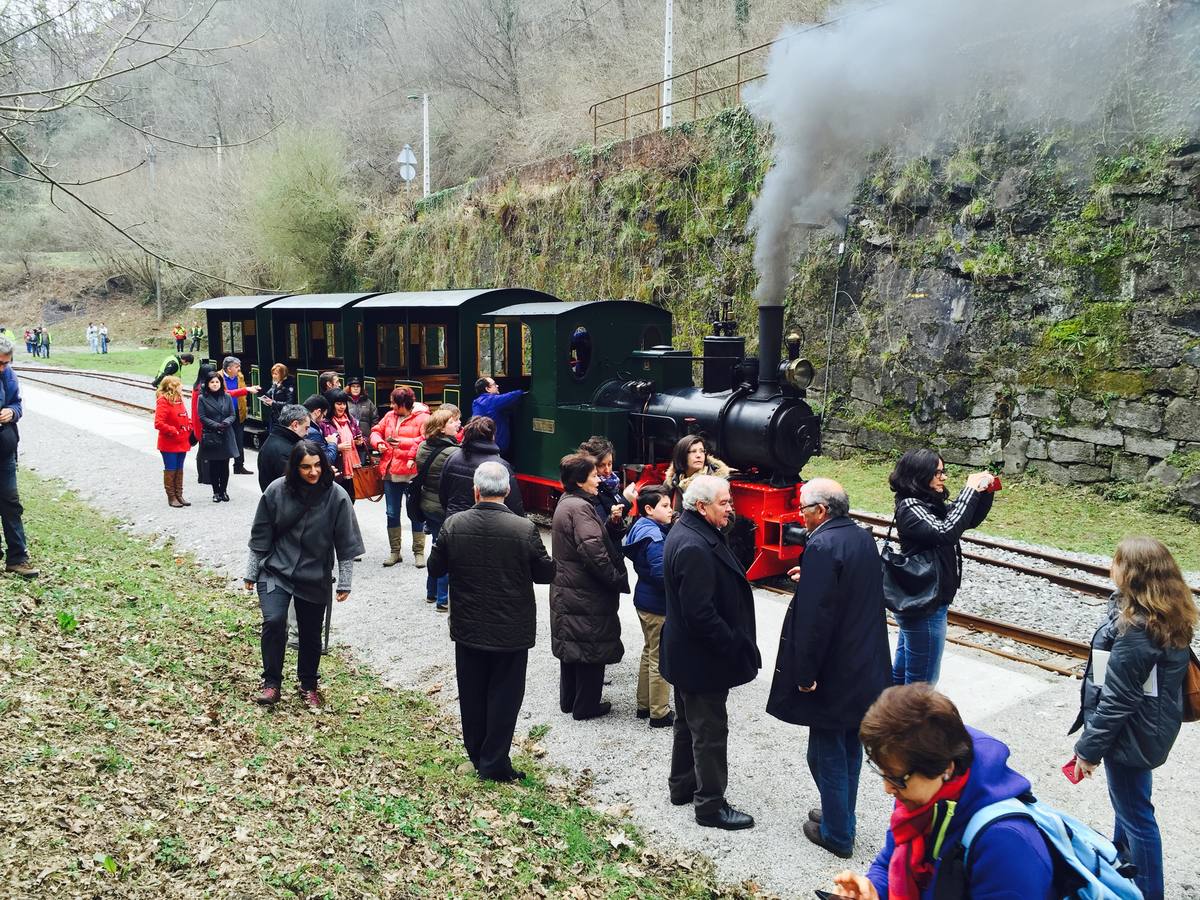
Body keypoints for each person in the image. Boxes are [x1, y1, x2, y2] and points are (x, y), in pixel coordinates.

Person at [830, 684, 1054, 900]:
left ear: (946, 768)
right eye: (884, 773)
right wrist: (874, 890)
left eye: (896, 778)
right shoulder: (918, 799)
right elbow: (889, 862)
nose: (887, 788)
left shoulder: (1006, 843)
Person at [766, 478, 890, 859]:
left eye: (803, 509)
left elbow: (815, 620)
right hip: (863, 662)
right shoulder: (860, 537)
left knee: (824, 752)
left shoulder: (821, 544)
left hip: (834, 668)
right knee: (849, 744)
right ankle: (842, 814)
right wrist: (813, 577)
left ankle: (838, 831)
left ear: (820, 511)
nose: (800, 516)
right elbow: (849, 588)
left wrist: (805, 673)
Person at [1069, 536, 1196, 900]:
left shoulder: (1137, 630)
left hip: (1132, 732)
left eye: (1116, 561)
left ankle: (1147, 892)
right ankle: (1120, 862)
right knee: (1129, 802)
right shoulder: (1168, 613)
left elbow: (1118, 699)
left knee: (1137, 814)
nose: (1111, 566)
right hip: (1151, 725)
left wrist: (1087, 750)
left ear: (1133, 574)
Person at [427, 460, 555, 780]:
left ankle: (476, 754)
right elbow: (544, 574)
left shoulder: (454, 524)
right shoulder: (524, 529)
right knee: (505, 696)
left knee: (472, 693)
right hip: (512, 630)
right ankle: (495, 761)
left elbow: (434, 569)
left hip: (469, 626)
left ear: (475, 490)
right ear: (508, 491)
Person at [661, 474, 757, 830]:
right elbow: (700, 614)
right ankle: (710, 806)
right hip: (702, 659)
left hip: (687, 656)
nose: (731, 508)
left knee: (687, 724)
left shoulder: (689, 531)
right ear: (701, 506)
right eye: (725, 503)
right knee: (710, 732)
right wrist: (732, 643)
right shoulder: (693, 546)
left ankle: (682, 786)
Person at [244, 441, 364, 709]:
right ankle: (271, 683)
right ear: (294, 468)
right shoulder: (277, 491)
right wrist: (251, 573)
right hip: (276, 570)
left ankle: (308, 684)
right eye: (306, 467)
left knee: (311, 633)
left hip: (315, 574)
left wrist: (345, 581)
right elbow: (260, 535)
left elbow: (346, 542)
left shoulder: (337, 496)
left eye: (317, 465)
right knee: (274, 622)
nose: (313, 472)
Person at [889, 449, 994, 686]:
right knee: (921, 684)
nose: (944, 477)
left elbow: (965, 520)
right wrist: (968, 490)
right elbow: (946, 531)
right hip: (924, 605)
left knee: (902, 673)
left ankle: (888, 720)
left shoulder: (927, 504)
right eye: (937, 472)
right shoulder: (910, 507)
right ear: (919, 475)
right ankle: (907, 722)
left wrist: (984, 493)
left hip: (925, 600)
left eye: (943, 471)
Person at [549, 453, 629, 720]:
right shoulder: (581, 508)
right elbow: (593, 552)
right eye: (594, 475)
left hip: (569, 587)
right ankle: (587, 706)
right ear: (581, 481)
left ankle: (570, 700)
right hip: (584, 590)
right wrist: (616, 578)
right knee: (590, 646)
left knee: (572, 646)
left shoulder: (568, 503)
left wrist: (611, 525)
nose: (599, 479)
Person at [622, 486, 673, 727]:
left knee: (648, 652)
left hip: (644, 600)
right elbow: (661, 574)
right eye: (665, 506)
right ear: (649, 509)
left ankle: (644, 704)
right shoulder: (654, 538)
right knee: (659, 657)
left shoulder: (640, 527)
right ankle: (659, 712)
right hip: (657, 605)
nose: (671, 509)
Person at [370, 386, 430, 566]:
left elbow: (425, 440)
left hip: (412, 473)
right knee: (392, 512)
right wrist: (379, 443)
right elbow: (375, 431)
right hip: (391, 472)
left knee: (415, 512)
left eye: (394, 403)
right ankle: (395, 552)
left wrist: (400, 443)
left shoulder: (424, 418)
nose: (391, 406)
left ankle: (418, 552)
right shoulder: (389, 416)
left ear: (404, 404)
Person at [415, 405, 462, 610]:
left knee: (436, 546)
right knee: (447, 551)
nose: (456, 424)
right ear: (442, 428)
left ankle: (431, 592)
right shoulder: (452, 452)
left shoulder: (423, 446)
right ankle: (443, 599)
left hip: (427, 503)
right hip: (443, 507)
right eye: (452, 422)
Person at [439, 416, 524, 519]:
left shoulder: (452, 458)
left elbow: (443, 494)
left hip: (456, 520)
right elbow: (514, 504)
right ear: (492, 436)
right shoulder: (501, 466)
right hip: (489, 523)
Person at [0, 338, 36, 578]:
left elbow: (17, 404)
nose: (3, 367)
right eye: (0, 363)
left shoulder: (9, 375)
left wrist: (12, 412)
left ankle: (18, 558)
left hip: (5, 451)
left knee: (11, 504)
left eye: (6, 363)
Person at [660, 435, 732, 512]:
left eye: (702, 451)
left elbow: (729, 517)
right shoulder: (672, 481)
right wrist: (675, 519)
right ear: (682, 455)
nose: (699, 455)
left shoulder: (718, 482)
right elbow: (663, 510)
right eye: (693, 451)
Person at [197, 370, 238, 502]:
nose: (215, 384)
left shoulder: (226, 396)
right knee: (214, 465)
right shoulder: (202, 398)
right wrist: (216, 425)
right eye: (212, 382)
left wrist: (226, 423)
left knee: (225, 464)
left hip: (226, 433)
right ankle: (216, 492)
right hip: (212, 434)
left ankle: (224, 491)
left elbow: (232, 414)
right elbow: (202, 417)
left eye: (217, 382)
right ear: (207, 384)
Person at [579, 435, 630, 540]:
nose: (607, 470)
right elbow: (605, 528)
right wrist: (626, 501)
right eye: (602, 465)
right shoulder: (592, 490)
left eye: (610, 464)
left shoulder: (611, 483)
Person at [321, 389, 367, 505]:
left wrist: (359, 442)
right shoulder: (324, 423)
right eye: (338, 403)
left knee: (350, 501)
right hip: (336, 469)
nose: (342, 407)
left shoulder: (350, 419)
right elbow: (320, 448)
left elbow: (360, 437)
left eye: (344, 403)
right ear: (331, 405)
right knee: (336, 503)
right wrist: (336, 447)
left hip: (351, 469)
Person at [153, 375, 193, 509]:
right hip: (170, 442)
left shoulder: (179, 400)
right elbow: (158, 423)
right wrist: (173, 430)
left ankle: (179, 494)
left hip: (182, 440)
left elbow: (184, 417)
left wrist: (190, 425)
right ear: (173, 386)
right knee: (171, 468)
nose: (182, 386)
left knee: (180, 468)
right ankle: (171, 496)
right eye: (180, 384)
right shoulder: (163, 401)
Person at [258, 404, 310, 492]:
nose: (307, 433)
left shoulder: (275, 439)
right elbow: (294, 485)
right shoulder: (285, 451)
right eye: (306, 428)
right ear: (295, 425)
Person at [221, 356, 258, 475]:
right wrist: (246, 390)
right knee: (224, 440)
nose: (239, 369)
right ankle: (222, 467)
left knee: (239, 439)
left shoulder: (239, 376)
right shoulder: (218, 377)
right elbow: (225, 393)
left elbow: (242, 393)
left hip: (238, 411)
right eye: (237, 367)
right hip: (224, 413)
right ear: (229, 368)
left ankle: (239, 465)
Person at [471, 376, 524, 455]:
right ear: (487, 389)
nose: (497, 386)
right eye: (494, 384)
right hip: (496, 446)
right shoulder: (493, 401)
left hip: (481, 443)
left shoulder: (476, 402)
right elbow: (514, 395)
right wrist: (523, 391)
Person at [302, 395, 338, 465]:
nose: (323, 420)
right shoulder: (312, 432)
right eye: (323, 416)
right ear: (318, 412)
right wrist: (332, 443)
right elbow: (327, 460)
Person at [259, 363, 296, 430]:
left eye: (276, 374)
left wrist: (273, 403)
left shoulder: (288, 386)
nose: (273, 376)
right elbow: (268, 395)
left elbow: (289, 403)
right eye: (273, 374)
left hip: (284, 417)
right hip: (274, 416)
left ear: (283, 374)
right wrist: (261, 392)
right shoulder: (275, 384)